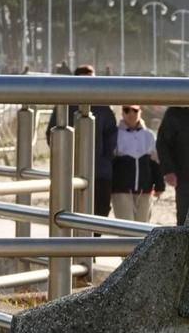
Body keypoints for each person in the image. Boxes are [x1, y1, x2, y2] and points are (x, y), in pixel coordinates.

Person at [48, 65, 118, 218]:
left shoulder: (103, 107)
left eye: (91, 81)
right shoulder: (64, 106)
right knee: (70, 210)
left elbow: (111, 137)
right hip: (70, 171)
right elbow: (52, 134)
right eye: (84, 81)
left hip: (100, 172)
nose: (88, 86)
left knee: (100, 213)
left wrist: (104, 160)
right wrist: (63, 160)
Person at [111, 105, 164, 223]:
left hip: (145, 190)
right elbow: (110, 163)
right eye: (127, 110)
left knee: (142, 226)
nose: (131, 114)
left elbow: (155, 163)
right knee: (125, 225)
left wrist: (160, 185)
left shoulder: (149, 135)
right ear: (122, 113)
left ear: (140, 112)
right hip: (121, 190)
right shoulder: (116, 135)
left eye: (135, 110)